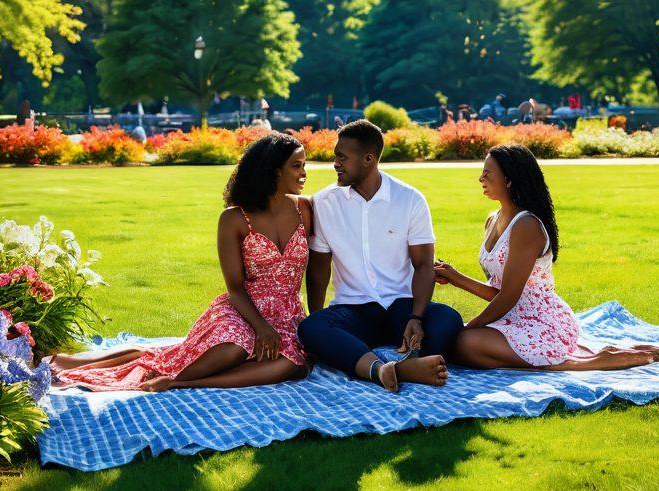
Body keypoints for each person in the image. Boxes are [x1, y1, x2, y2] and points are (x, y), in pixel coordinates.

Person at [51, 133, 313, 391]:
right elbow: (234, 287)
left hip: (287, 313)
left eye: (304, 165)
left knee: (292, 364)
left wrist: (313, 321)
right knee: (228, 351)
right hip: (243, 311)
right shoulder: (234, 218)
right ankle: (81, 364)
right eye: (296, 165)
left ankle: (181, 383)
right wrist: (261, 328)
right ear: (274, 171)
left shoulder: (305, 209)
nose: (304, 173)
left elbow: (318, 270)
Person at [434, 145, 659, 371]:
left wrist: (469, 326)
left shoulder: (526, 225)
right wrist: (455, 277)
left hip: (544, 323)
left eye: (487, 173)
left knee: (464, 343)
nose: (480, 178)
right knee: (459, 347)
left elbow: (508, 297)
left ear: (509, 179)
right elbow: (502, 293)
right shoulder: (492, 220)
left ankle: (589, 362)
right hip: (513, 319)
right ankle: (582, 356)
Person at [298, 119, 463, 392]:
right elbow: (318, 271)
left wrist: (416, 319)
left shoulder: (409, 199)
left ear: (368, 159)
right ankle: (387, 369)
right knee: (311, 328)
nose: (335, 164)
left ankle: (400, 362)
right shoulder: (325, 202)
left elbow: (423, 266)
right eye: (335, 157)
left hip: (401, 307)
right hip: (355, 311)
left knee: (448, 319)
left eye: (342, 157)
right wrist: (319, 324)